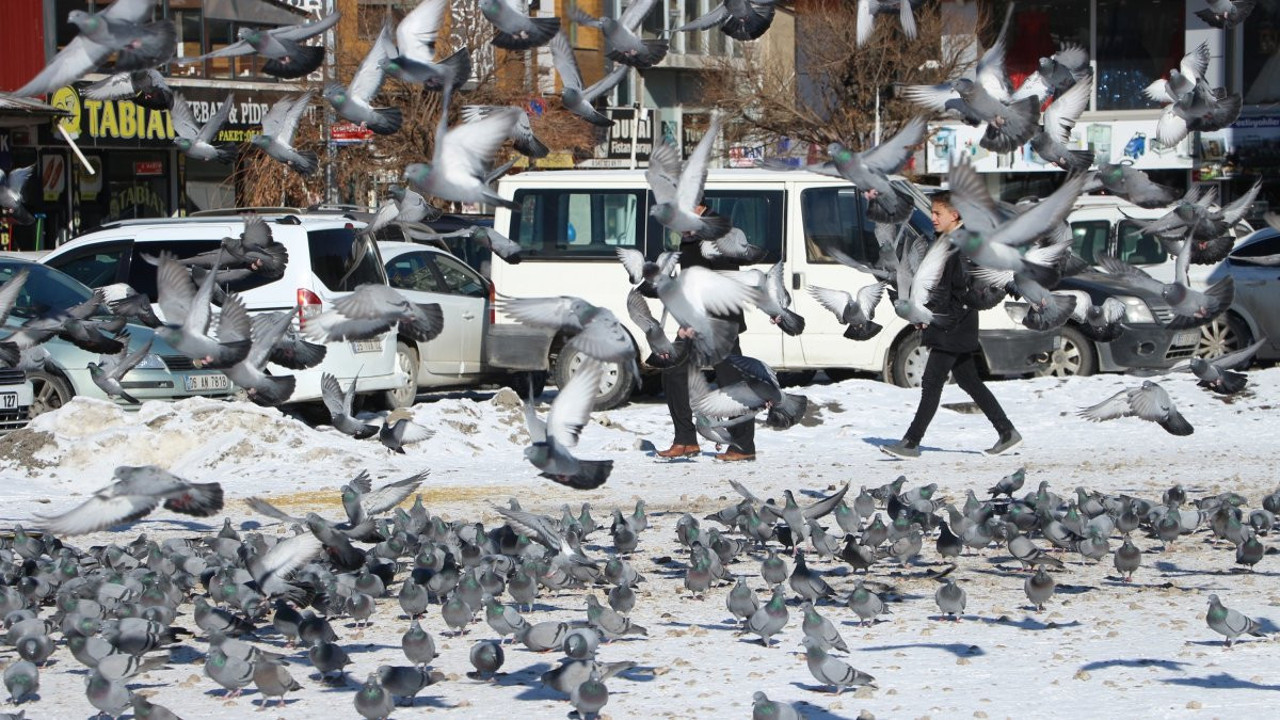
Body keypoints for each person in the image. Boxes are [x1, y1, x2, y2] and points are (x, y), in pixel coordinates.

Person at [881, 192, 1022, 459]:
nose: (933, 218)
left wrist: (935, 318)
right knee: (969, 381)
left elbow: (960, 291)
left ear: (954, 215)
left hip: (953, 325)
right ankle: (1007, 432)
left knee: (932, 382)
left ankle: (911, 442)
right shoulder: (946, 241)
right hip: (953, 324)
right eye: (932, 213)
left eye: (938, 213)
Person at [657, 222, 756, 462]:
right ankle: (685, 439)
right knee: (673, 370)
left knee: (731, 383)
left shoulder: (717, 235)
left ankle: (744, 445)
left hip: (719, 325)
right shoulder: (689, 238)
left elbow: (725, 284)